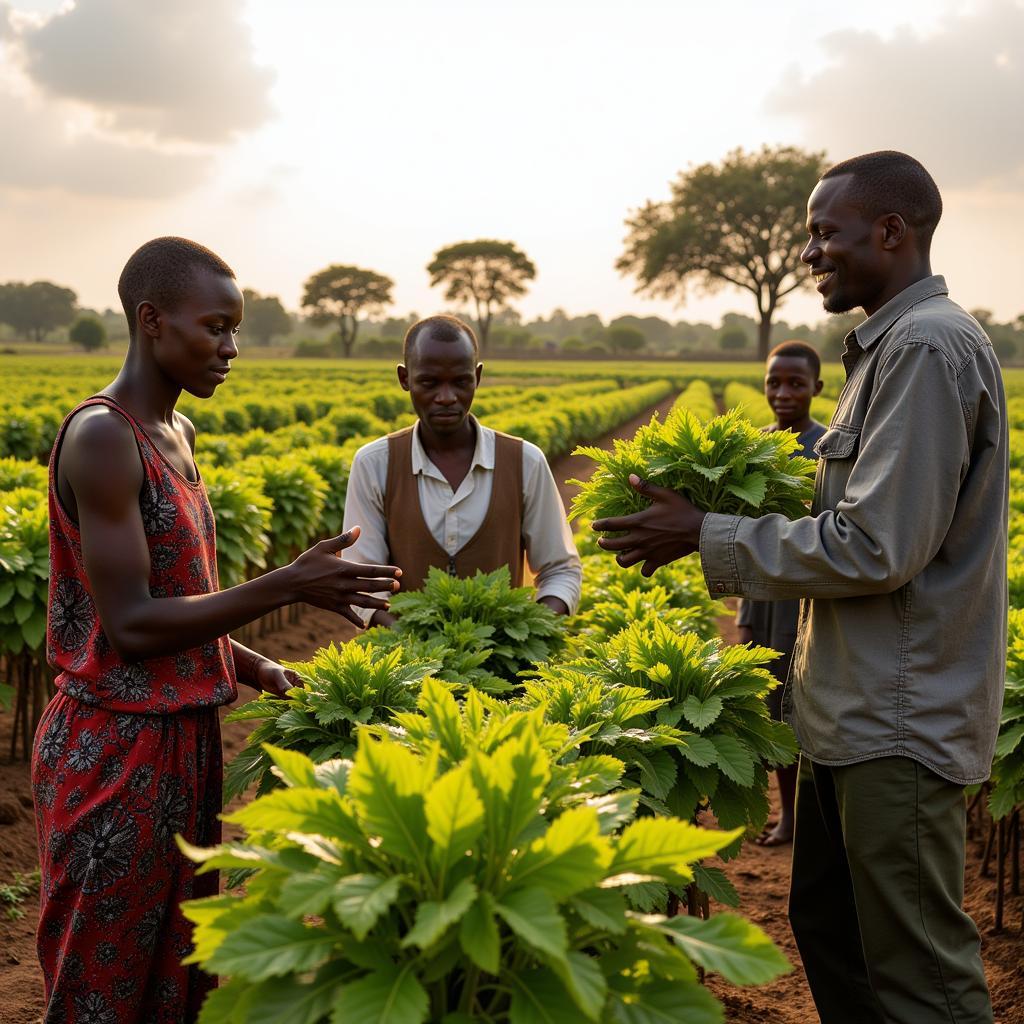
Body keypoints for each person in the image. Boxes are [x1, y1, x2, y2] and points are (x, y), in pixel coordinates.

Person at [592, 152, 1005, 1023]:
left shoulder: (927, 349)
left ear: (892, 232)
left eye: (826, 232)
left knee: (918, 969)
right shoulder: (884, 349)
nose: (810, 254)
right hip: (850, 711)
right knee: (832, 927)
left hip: (898, 716)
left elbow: (877, 545)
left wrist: (704, 535)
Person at [32, 237, 401, 1024]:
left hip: (182, 741)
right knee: (101, 987)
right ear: (152, 321)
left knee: (176, 976)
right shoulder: (104, 436)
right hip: (114, 749)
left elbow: (180, 601)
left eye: (237, 329)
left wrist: (261, 668)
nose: (233, 349)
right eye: (217, 327)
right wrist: (289, 583)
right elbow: (130, 626)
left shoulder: (178, 436)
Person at [342, 314, 582, 624]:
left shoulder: (526, 461)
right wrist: (408, 641)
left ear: (477, 377)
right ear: (405, 379)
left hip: (504, 666)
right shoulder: (374, 464)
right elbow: (363, 583)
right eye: (429, 383)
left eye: (461, 381)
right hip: (405, 665)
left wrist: (529, 633)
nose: (446, 397)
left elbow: (560, 570)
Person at [736, 340, 826, 847]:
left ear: (817, 387)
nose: (783, 393)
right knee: (772, 711)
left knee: (806, 709)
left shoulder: (826, 447)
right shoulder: (755, 447)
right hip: (767, 597)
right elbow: (747, 536)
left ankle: (810, 820)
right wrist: (746, 613)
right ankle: (788, 814)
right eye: (774, 382)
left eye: (795, 383)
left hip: (811, 596)